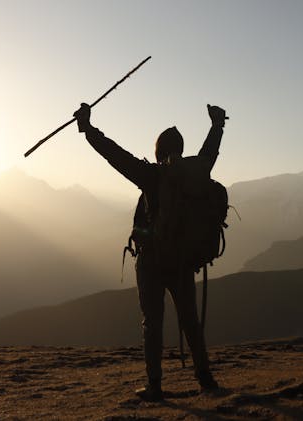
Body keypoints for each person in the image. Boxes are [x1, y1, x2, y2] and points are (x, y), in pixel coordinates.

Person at [73, 102, 226, 401]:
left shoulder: (150, 176)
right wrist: (218, 124)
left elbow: (114, 155)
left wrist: (88, 129)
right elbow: (210, 152)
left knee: (152, 322)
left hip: (151, 260)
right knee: (189, 320)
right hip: (183, 260)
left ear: (158, 151)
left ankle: (155, 385)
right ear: (180, 150)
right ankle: (205, 379)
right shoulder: (196, 172)